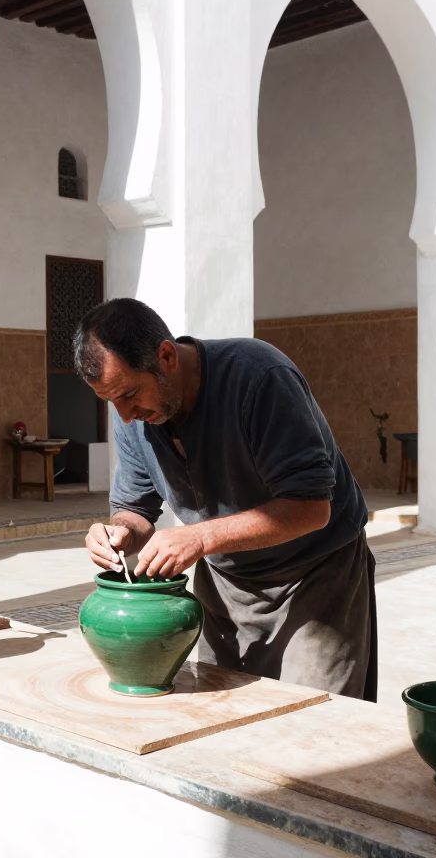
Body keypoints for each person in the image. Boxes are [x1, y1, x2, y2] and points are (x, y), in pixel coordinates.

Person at [74, 298, 376, 700]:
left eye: (130, 394)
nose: (125, 415)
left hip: (316, 578)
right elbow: (136, 510)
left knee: (311, 721)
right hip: (225, 585)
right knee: (223, 712)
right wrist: (117, 532)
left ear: (166, 356)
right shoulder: (132, 413)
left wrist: (199, 539)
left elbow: (311, 507)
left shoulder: (260, 377)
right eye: (111, 401)